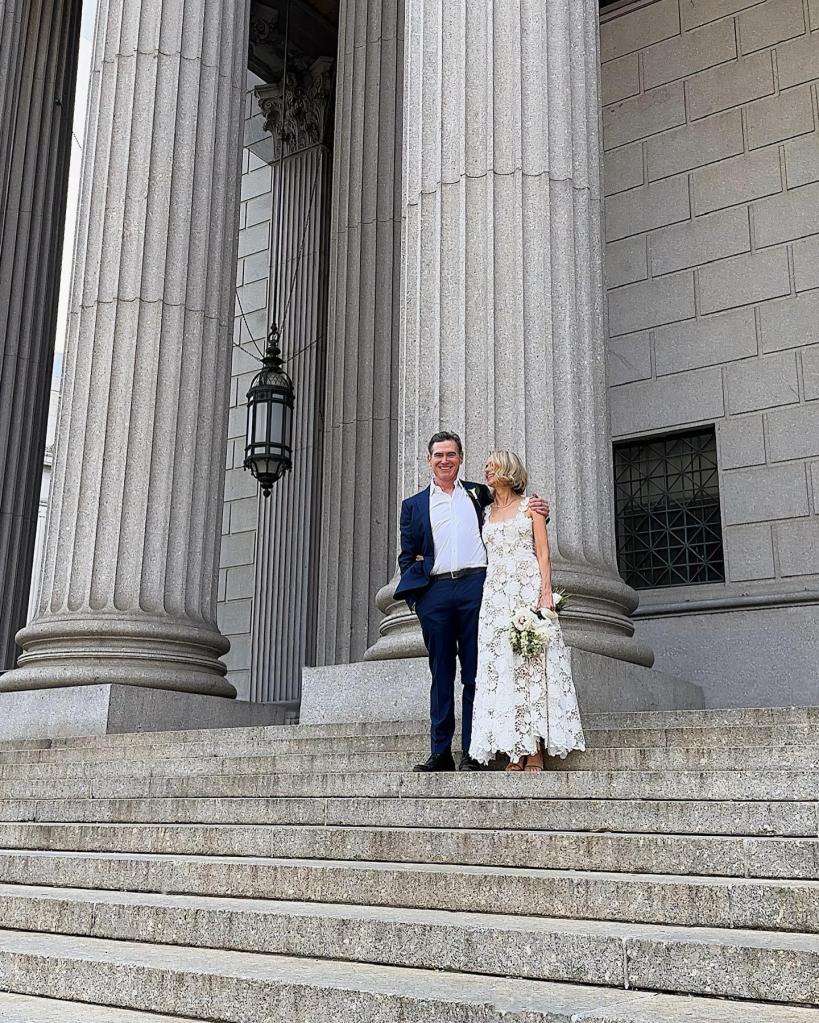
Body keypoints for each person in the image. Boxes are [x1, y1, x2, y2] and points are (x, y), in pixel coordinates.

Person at [395, 432, 549, 772]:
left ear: (460, 459)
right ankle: (440, 753)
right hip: (434, 592)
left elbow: (513, 509)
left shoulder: (478, 493)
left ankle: (472, 752)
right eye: (438, 455)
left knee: (476, 672)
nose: (445, 460)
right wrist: (418, 597)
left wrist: (541, 511)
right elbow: (406, 556)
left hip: (475, 588)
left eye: (451, 454)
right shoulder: (413, 506)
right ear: (429, 460)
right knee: (441, 673)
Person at [469, 450, 585, 771]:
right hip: (495, 596)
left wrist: (545, 594)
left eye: (492, 466)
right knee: (503, 668)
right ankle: (513, 750)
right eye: (486, 467)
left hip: (526, 587)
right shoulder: (485, 510)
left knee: (531, 665)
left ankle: (534, 749)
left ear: (508, 470)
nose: (487, 471)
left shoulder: (531, 507)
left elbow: (543, 554)